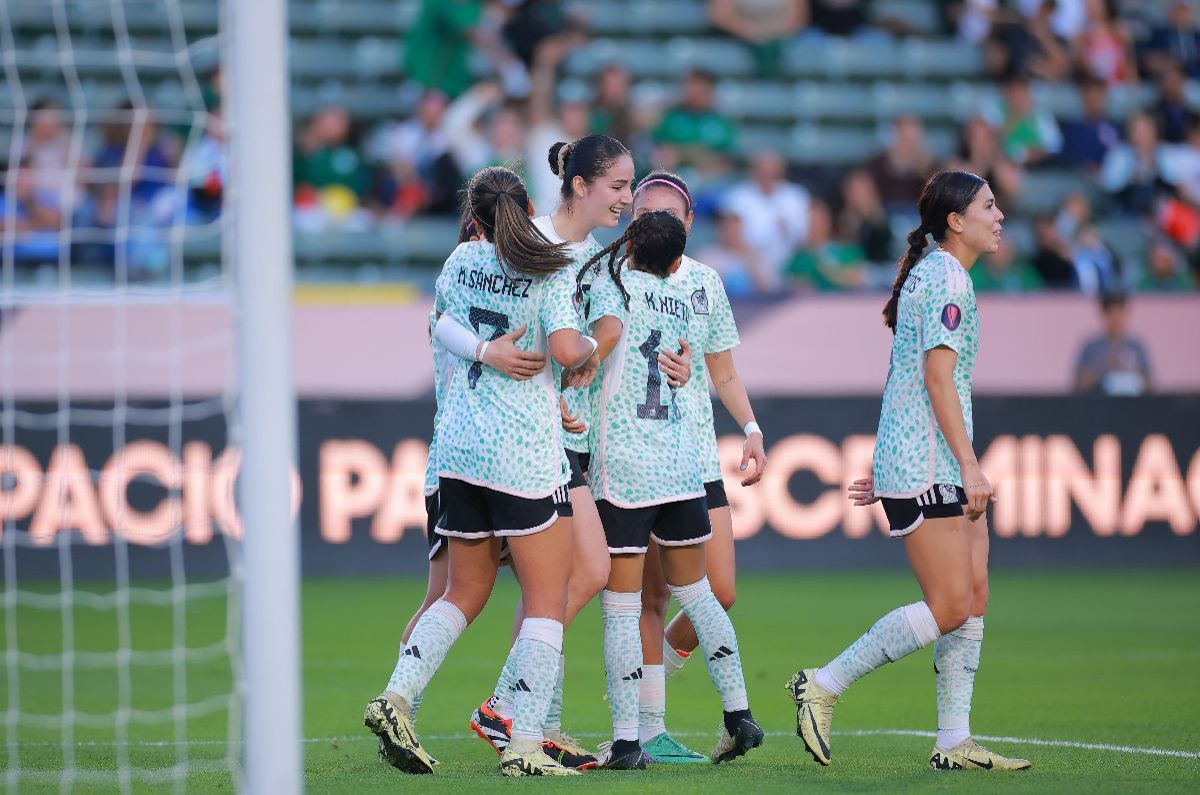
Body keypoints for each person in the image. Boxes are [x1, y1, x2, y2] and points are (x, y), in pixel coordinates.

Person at [437, 136, 690, 767]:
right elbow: (473, 324)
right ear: (579, 185)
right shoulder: (529, 244)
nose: (627, 200)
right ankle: (507, 715)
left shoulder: (601, 261)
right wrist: (567, 363)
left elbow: (610, 328)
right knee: (520, 582)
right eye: (619, 186)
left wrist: (607, 359)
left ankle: (520, 715)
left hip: (570, 439)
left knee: (573, 576)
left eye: (630, 188)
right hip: (516, 440)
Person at [786, 170, 1031, 773]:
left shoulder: (938, 274)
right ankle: (822, 683)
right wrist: (965, 466)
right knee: (950, 605)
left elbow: (912, 379)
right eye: (988, 206)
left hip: (924, 456)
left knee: (972, 600)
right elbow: (936, 378)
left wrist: (897, 458)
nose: (999, 216)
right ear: (956, 220)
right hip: (930, 462)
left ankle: (954, 741)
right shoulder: (947, 278)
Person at [363, 166, 599, 777]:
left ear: (477, 214)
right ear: (524, 209)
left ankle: (396, 696)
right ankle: (522, 745)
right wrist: (598, 347)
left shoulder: (462, 259)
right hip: (521, 455)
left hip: (460, 454)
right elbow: (571, 350)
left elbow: (438, 322)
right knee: (549, 599)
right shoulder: (548, 267)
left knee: (460, 594)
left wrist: (486, 351)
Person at [584, 210, 764, 769]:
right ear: (678, 260)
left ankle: (627, 740)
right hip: (683, 466)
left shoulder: (609, 285)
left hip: (624, 467)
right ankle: (738, 712)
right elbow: (715, 370)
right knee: (701, 595)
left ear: (631, 247)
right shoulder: (691, 298)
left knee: (621, 607)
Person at [721, 150, 811, 291]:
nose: (768, 179)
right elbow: (730, 237)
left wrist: (787, 229)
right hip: (745, 260)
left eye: (773, 175)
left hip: (790, 260)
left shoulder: (797, 196)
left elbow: (809, 236)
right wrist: (753, 261)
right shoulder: (736, 196)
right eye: (763, 174)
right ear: (753, 173)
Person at [1074, 292, 1153, 395]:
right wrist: (1104, 364)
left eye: (1120, 312)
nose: (1116, 319)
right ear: (1103, 314)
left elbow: (1150, 385)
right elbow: (1078, 385)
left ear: (1126, 313)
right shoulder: (1091, 347)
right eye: (1111, 313)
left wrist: (1131, 371)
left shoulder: (1136, 347)